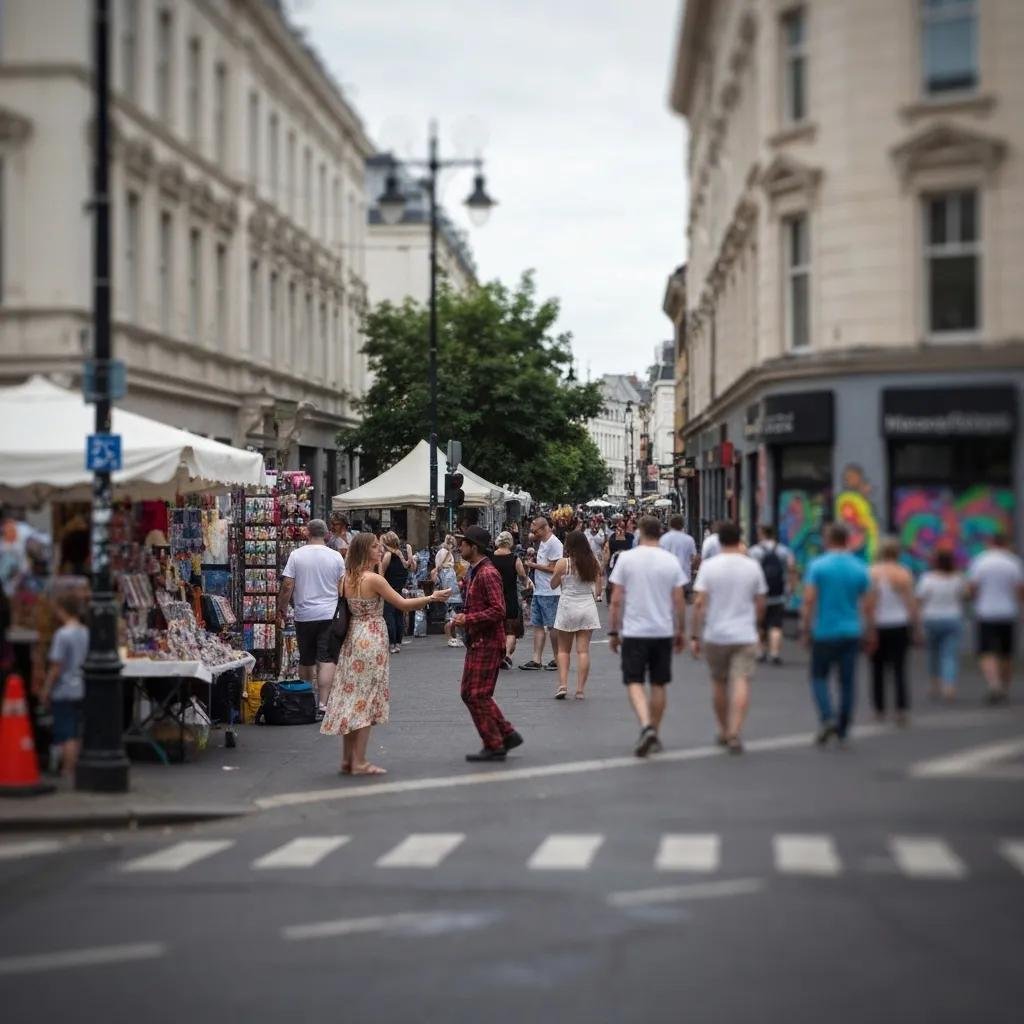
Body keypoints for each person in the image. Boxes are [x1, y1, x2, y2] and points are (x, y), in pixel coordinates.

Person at [321, 532, 450, 774]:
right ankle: (360, 761)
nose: (380, 551)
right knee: (366, 701)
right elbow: (402, 603)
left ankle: (348, 759)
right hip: (371, 638)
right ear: (363, 551)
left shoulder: (345, 578)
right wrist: (432, 597)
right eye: (374, 547)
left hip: (352, 638)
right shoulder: (373, 580)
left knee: (350, 697)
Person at [608, 516, 687, 757]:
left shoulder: (627, 559)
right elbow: (679, 600)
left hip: (635, 631)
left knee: (634, 681)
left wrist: (613, 630)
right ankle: (655, 731)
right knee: (659, 683)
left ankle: (645, 725)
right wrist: (680, 630)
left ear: (640, 533)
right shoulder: (671, 561)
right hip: (662, 630)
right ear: (660, 534)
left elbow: (616, 599)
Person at [690, 521, 767, 753]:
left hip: (717, 633)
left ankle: (723, 729)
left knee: (719, 682)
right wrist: (757, 625)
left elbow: (699, 603)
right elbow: (761, 602)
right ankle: (735, 731)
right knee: (741, 681)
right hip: (745, 632)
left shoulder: (709, 567)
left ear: (719, 540)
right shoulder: (751, 566)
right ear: (740, 539)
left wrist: (695, 635)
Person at [448, 526, 523, 762]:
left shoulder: (487, 572)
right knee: (470, 693)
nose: (460, 547)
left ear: (474, 547)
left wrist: (467, 619)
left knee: (477, 694)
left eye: (463, 544)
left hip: (488, 641)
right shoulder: (476, 571)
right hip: (479, 640)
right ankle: (505, 735)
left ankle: (495, 742)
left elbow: (498, 609)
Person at [801, 523, 876, 746]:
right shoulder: (860, 567)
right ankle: (843, 727)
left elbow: (809, 600)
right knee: (847, 681)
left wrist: (805, 628)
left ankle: (827, 717)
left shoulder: (818, 566)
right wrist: (870, 630)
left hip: (824, 631)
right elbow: (869, 604)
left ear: (828, 539)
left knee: (818, 677)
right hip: (851, 631)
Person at [278, 519, 346, 712]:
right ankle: (324, 703)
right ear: (326, 534)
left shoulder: (296, 555)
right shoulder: (336, 557)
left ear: (307, 533)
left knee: (306, 659)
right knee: (325, 658)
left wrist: (282, 608)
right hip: (329, 614)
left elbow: (287, 585)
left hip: (304, 614)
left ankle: (306, 701)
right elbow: (342, 586)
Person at [966, 532, 1024, 704]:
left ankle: (994, 683)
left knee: (986, 652)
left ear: (990, 542)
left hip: (985, 612)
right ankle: (1005, 686)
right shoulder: (1013, 562)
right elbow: (1020, 590)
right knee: (1006, 653)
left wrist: (974, 600)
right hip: (1008, 612)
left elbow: (972, 587)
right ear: (1006, 543)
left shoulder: (981, 561)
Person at [36, 592, 88, 777]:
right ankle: (75, 764)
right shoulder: (85, 632)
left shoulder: (62, 635)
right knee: (76, 729)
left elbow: (56, 667)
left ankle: (68, 769)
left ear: (62, 610)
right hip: (81, 687)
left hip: (64, 689)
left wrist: (45, 690)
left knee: (66, 732)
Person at [869, 537, 917, 725]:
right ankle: (901, 709)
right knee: (899, 668)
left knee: (877, 669)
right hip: (899, 624)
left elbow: (869, 603)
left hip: (879, 624)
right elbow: (910, 603)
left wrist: (868, 626)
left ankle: (879, 709)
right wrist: (916, 625)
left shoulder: (872, 572)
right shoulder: (903, 573)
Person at [550, 530, 602, 699]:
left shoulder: (563, 563)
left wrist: (560, 578)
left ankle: (563, 685)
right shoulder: (593, 563)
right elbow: (598, 590)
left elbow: (553, 585)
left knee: (563, 650)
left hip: (568, 606)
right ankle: (580, 690)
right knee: (583, 651)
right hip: (587, 606)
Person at [916, 548, 967, 702]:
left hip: (931, 619)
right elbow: (965, 595)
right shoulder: (958, 578)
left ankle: (934, 685)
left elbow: (919, 599)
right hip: (953, 618)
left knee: (933, 654)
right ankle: (949, 687)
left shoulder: (927, 579)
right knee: (949, 655)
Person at [748, 524, 796, 664]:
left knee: (759, 624)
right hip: (778, 592)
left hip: (759, 594)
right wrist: (791, 587)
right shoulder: (784, 551)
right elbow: (791, 569)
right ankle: (774, 653)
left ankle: (760, 652)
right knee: (776, 624)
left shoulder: (754, 551)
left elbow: (750, 572)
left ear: (761, 533)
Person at [520, 516, 563, 671]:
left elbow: (555, 569)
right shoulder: (543, 542)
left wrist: (534, 565)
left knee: (552, 626)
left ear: (544, 528)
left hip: (551, 592)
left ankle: (558, 658)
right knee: (538, 624)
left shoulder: (554, 543)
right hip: (540, 590)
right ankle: (536, 659)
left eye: (535, 530)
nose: (533, 534)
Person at [490, 531, 531, 669]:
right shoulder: (514, 559)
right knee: (511, 629)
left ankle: (497, 655)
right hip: (510, 596)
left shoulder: (490, 558)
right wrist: (526, 582)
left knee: (497, 627)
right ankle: (506, 655)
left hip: (494, 596)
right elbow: (522, 576)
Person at [381, 531, 413, 654]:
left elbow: (382, 572)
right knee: (398, 615)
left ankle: (392, 643)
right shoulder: (401, 554)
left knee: (389, 616)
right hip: (399, 589)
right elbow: (408, 567)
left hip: (390, 589)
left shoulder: (388, 555)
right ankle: (398, 642)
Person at [434, 535, 464, 648]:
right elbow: (440, 566)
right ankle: (450, 637)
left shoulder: (444, 553)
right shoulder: (444, 553)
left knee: (452, 612)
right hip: (448, 582)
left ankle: (453, 637)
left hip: (449, 581)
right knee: (450, 612)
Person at [659, 514, 698, 598]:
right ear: (683, 524)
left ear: (670, 524)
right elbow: (693, 558)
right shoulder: (689, 539)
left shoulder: (663, 539)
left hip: (667, 576)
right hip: (684, 576)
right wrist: (691, 569)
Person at [604, 517, 634, 603]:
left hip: (626, 562)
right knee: (611, 581)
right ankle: (610, 599)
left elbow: (632, 548)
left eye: (622, 526)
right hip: (613, 562)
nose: (619, 528)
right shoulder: (612, 537)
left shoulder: (630, 537)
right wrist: (605, 563)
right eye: (618, 526)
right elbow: (607, 550)